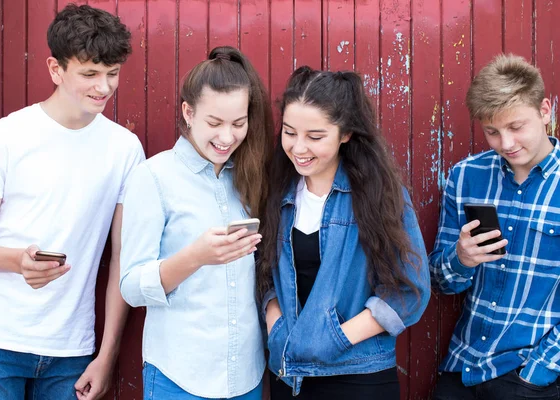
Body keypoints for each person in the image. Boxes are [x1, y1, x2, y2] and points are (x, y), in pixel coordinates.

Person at [0, 4, 144, 400]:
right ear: (55, 69)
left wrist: (107, 354)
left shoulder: (125, 149)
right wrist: (16, 261)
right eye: (90, 74)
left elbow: (123, 258)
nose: (104, 87)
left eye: (112, 74)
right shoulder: (6, 137)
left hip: (70, 349)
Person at [257, 66, 431, 399]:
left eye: (316, 136)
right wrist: (276, 324)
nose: (298, 147)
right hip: (288, 374)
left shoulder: (379, 196)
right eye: (290, 132)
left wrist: (333, 339)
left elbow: (410, 290)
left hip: (358, 375)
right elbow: (264, 273)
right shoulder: (278, 194)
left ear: (346, 134)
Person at [119, 46, 274, 400]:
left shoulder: (252, 177)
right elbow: (130, 286)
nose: (226, 137)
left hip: (246, 376)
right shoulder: (154, 177)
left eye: (238, 124)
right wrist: (197, 256)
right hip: (179, 376)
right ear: (188, 113)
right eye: (214, 123)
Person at [430, 54, 560, 400]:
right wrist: (461, 259)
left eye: (516, 127)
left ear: (545, 111)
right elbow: (441, 282)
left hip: (532, 376)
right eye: (492, 131)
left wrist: (540, 371)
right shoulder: (466, 176)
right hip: (463, 366)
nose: (505, 144)